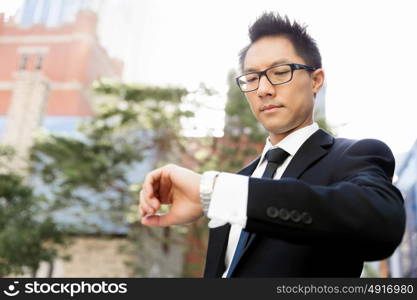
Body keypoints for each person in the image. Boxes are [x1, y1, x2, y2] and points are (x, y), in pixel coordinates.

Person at [139, 12, 405, 277]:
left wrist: (211, 191)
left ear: (316, 80)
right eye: (252, 78)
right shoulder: (237, 182)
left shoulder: (354, 155)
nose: (263, 89)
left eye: (280, 72)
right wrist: (213, 196)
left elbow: (380, 224)